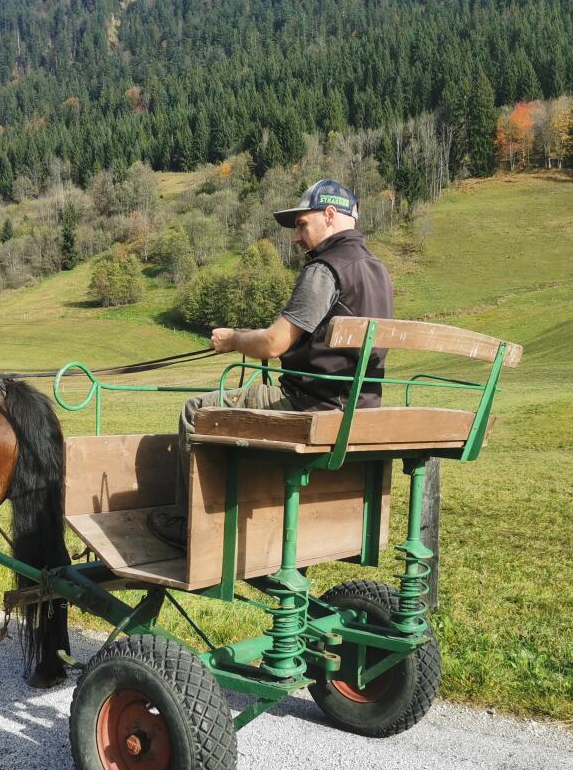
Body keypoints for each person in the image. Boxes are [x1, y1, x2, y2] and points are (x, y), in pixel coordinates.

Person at [147, 179, 395, 549]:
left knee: (196, 410)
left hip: (313, 405)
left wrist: (232, 340)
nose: (297, 236)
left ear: (329, 215)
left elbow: (274, 343)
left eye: (301, 224)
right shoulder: (378, 270)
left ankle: (190, 527)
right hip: (360, 405)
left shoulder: (325, 269)